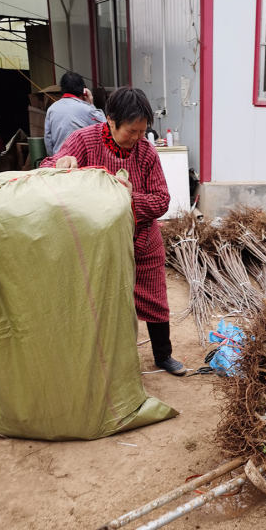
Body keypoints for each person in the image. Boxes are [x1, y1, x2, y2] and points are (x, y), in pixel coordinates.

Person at [39, 86, 185, 375]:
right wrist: (60, 164)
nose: (137, 138)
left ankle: (163, 355)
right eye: (131, 131)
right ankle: (109, 361)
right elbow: (49, 166)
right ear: (110, 120)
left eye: (142, 132)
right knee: (105, 300)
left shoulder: (146, 152)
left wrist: (128, 198)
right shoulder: (83, 140)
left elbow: (162, 200)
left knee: (155, 297)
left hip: (142, 238)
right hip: (101, 243)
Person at [44, 71, 106, 155]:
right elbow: (105, 127)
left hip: (59, 162)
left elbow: (48, 140)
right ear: (83, 91)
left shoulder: (51, 109)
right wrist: (91, 103)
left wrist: (54, 158)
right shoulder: (87, 109)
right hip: (81, 162)